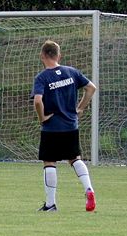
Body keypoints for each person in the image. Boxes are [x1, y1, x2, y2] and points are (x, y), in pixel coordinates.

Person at [32, 40, 97, 212]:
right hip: (71, 126)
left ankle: (50, 204)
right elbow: (91, 88)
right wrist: (80, 108)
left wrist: (42, 117)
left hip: (52, 127)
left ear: (42, 56)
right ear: (59, 55)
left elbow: (38, 100)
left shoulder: (42, 77)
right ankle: (89, 189)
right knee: (75, 158)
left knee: (49, 162)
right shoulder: (71, 72)